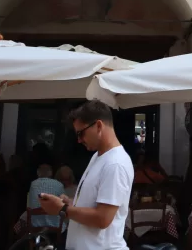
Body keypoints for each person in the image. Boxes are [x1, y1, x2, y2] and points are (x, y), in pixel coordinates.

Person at [38, 99, 134, 250]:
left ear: (98, 126)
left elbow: (103, 218)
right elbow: (95, 206)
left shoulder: (115, 163)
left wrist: (63, 210)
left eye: (81, 133)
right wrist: (70, 203)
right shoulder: (98, 157)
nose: (79, 140)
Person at [27, 164, 65, 229]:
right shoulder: (59, 184)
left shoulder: (33, 184)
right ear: (51, 173)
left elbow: (29, 204)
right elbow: (64, 204)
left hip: (35, 224)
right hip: (56, 225)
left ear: (38, 173)